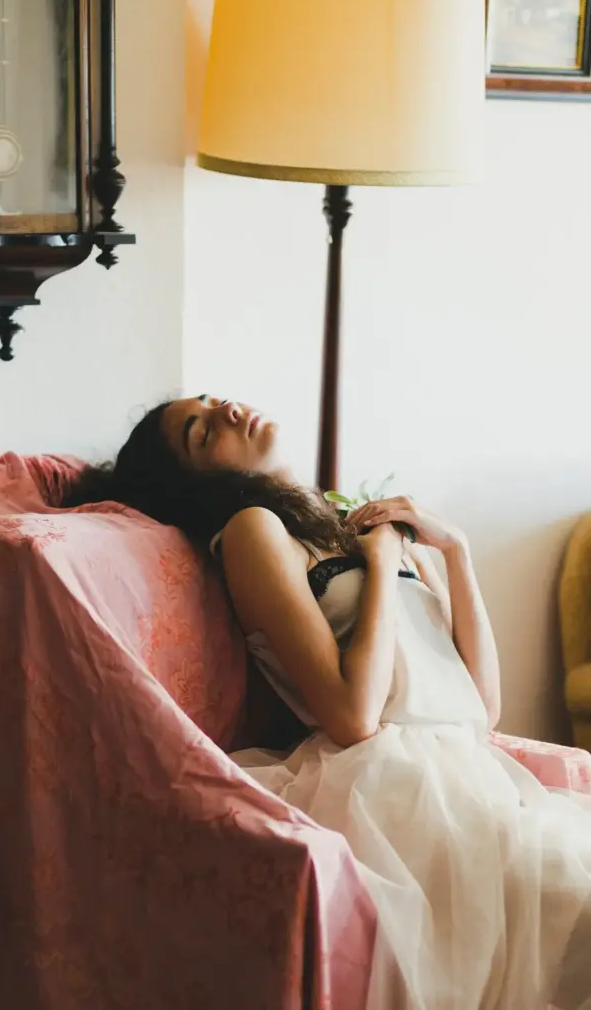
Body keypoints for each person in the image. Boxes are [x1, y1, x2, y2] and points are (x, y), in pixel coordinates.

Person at [66, 395, 591, 1009]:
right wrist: (383, 566)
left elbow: (483, 705)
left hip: (476, 775)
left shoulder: (343, 521)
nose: (227, 411)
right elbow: (352, 716)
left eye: (212, 402)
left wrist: (456, 553)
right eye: (202, 433)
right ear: (199, 482)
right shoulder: (253, 530)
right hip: (398, 790)